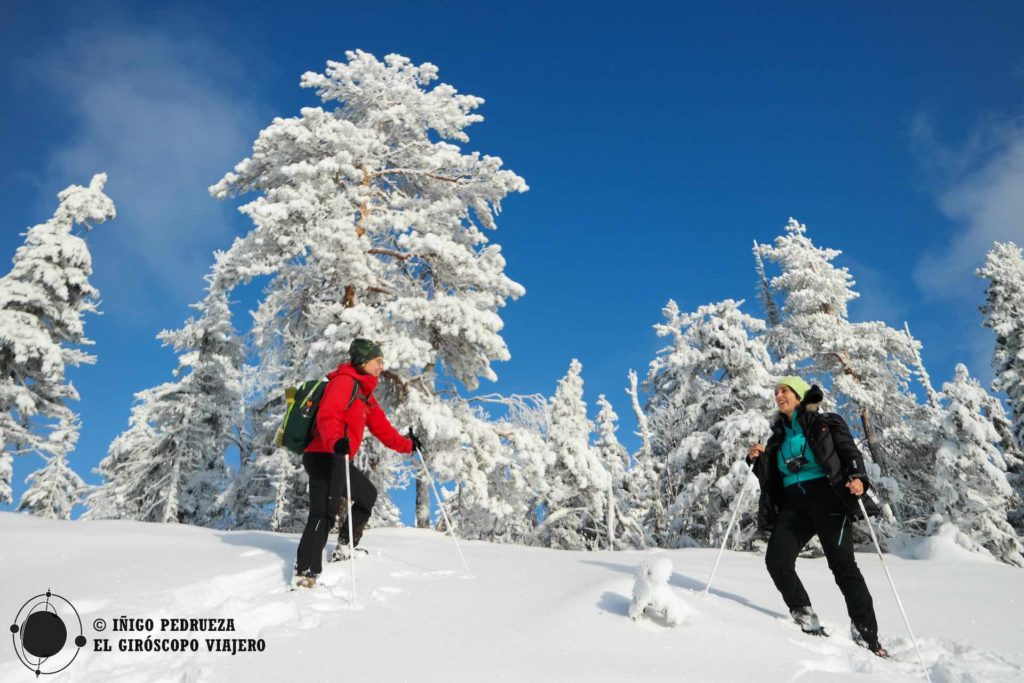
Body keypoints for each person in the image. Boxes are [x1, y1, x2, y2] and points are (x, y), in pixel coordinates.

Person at [746, 376, 887, 657]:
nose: (778, 395)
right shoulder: (777, 439)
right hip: (794, 503)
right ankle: (804, 616)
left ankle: (867, 635)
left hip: (827, 497)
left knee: (843, 566)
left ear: (799, 395)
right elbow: (770, 479)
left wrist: (857, 476)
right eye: (776, 392)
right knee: (777, 560)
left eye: (784, 390)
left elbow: (849, 452)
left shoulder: (827, 422)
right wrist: (758, 459)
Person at [294, 338, 422, 588]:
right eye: (377, 361)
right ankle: (305, 573)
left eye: (382, 362)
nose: (381, 366)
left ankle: (344, 547)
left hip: (337, 456)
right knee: (323, 513)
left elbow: (383, 429)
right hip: (324, 454)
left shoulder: (364, 395)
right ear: (364, 361)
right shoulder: (344, 382)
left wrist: (409, 446)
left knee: (367, 496)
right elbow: (328, 414)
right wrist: (334, 441)